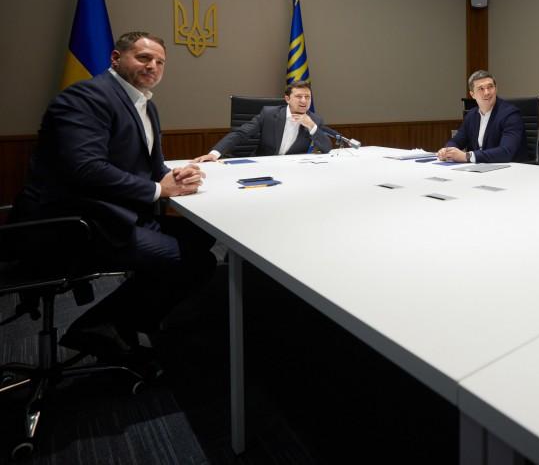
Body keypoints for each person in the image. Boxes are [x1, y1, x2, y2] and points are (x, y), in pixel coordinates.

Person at [14, 32, 215, 370]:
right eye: (143, 57)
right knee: (196, 262)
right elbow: (85, 169)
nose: (153, 66)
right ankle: (101, 325)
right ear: (116, 58)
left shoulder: (146, 104)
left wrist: (175, 177)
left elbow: (151, 166)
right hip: (75, 224)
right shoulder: (86, 97)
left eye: (160, 62)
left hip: (111, 213)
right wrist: (158, 190)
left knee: (202, 235)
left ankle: (129, 320)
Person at [193, 80, 332, 161]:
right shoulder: (269, 114)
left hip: (292, 170)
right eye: (299, 96)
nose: (304, 101)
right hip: (263, 166)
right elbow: (241, 133)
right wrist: (214, 154)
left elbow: (327, 148)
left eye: (307, 97)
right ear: (287, 99)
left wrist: (312, 126)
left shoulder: (314, 119)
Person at [438, 70, 524, 163]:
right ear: (472, 94)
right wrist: (447, 151)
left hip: (509, 168)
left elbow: (506, 152)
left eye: (490, 87)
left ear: (496, 89)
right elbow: (457, 140)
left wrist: (468, 156)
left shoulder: (510, 114)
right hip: (481, 167)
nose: (487, 92)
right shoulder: (471, 115)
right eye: (481, 89)